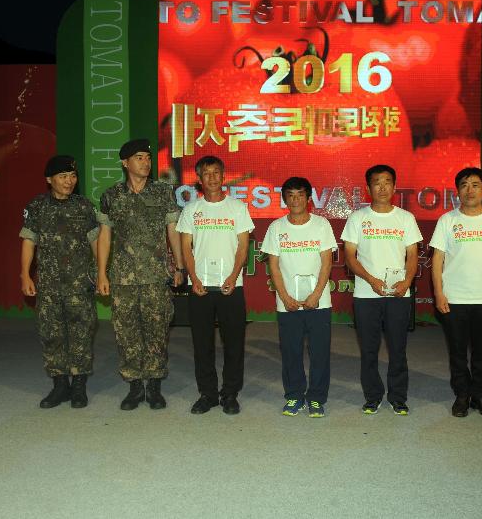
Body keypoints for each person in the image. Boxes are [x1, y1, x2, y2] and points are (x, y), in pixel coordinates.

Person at [96, 138, 184, 411]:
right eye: (139, 158)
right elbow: (105, 237)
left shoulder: (163, 192)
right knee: (127, 333)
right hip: (123, 278)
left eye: (148, 157)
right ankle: (135, 385)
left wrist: (179, 266)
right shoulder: (111, 196)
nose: (146, 162)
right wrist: (102, 273)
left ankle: (154, 385)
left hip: (156, 276)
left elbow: (173, 232)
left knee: (157, 331)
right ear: (125, 163)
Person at [341, 164, 423, 415]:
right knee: (368, 349)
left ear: (395, 187)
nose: (383, 187)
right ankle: (373, 396)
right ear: (369, 188)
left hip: (399, 294)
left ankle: (398, 397)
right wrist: (371, 279)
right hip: (367, 295)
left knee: (398, 348)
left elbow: (412, 255)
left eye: (388, 182)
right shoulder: (358, 218)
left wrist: (407, 282)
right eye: (377, 182)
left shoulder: (405, 218)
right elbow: (350, 257)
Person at [20, 155, 99, 409]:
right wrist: (25, 274)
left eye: (73, 176)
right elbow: (29, 241)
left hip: (80, 284)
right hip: (50, 285)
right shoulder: (37, 207)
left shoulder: (84, 207)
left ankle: (78, 386)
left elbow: (96, 242)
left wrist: (100, 272)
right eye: (63, 176)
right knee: (51, 334)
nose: (69, 181)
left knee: (81, 334)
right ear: (49, 179)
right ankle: (59, 385)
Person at [177, 155, 254, 415]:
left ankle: (230, 393)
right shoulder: (191, 210)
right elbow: (186, 248)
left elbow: (243, 246)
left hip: (230, 286)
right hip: (200, 287)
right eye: (206, 174)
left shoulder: (237, 208)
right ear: (199, 180)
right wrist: (194, 279)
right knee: (202, 343)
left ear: (223, 176)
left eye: (216, 173)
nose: (211, 178)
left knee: (234, 342)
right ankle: (207, 394)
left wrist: (234, 276)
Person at [430, 167, 482, 419]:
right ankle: (462, 395)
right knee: (457, 352)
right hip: (454, 298)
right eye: (464, 185)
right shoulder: (448, 220)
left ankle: (481, 396)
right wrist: (439, 294)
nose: (469, 190)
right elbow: (437, 259)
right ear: (458, 191)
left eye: (475, 185)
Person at [261, 177, 336, 418]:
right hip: (288, 303)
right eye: (290, 195)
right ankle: (294, 396)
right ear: (284, 199)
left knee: (320, 352)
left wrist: (316, 295)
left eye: (300, 195)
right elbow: (273, 266)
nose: (295, 200)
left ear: (309, 198)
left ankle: (316, 398)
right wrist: (284, 296)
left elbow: (327, 263)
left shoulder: (322, 225)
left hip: (319, 302)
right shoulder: (276, 227)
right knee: (291, 352)